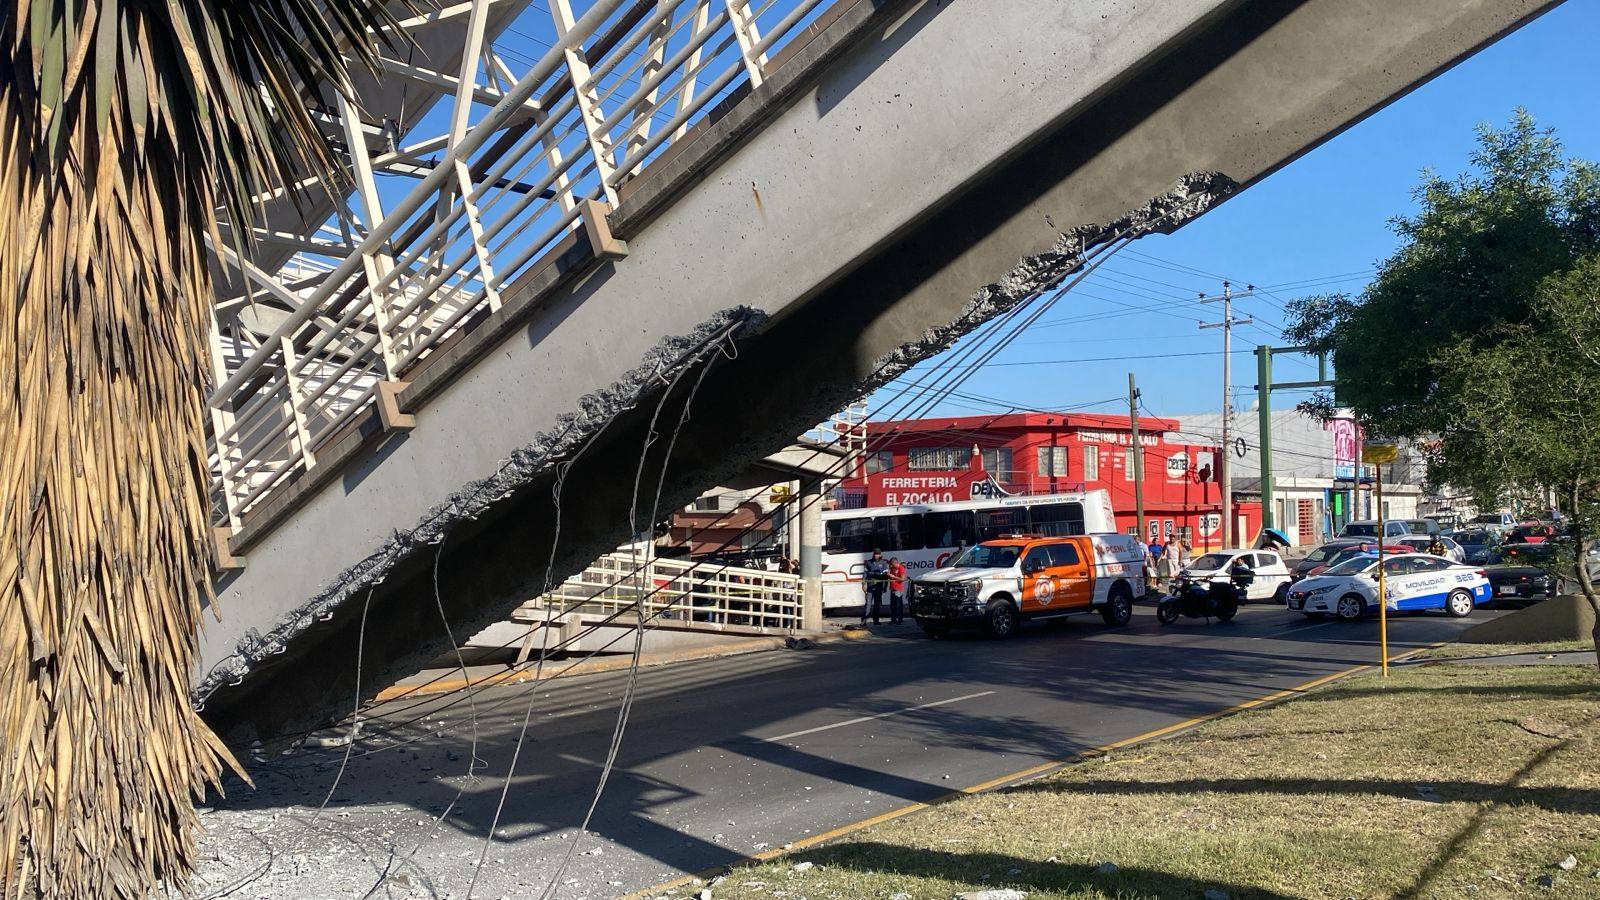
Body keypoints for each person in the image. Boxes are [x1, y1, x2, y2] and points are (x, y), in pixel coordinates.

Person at [862, 549, 890, 625]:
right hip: (870, 587)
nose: (876, 555)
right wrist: (863, 584)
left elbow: (886, 576)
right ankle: (864, 621)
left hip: (879, 587)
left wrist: (885, 586)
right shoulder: (869, 562)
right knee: (868, 604)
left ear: (880, 554)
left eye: (877, 554)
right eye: (875, 554)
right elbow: (865, 574)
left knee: (877, 604)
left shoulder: (884, 563)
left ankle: (876, 620)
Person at [887, 557, 908, 624]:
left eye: (891, 564)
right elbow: (890, 576)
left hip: (898, 589)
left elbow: (902, 579)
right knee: (892, 605)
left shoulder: (901, 568)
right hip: (892, 588)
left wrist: (893, 577)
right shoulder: (892, 568)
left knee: (898, 605)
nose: (891, 565)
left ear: (895, 563)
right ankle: (893, 619)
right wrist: (888, 574)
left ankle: (900, 619)